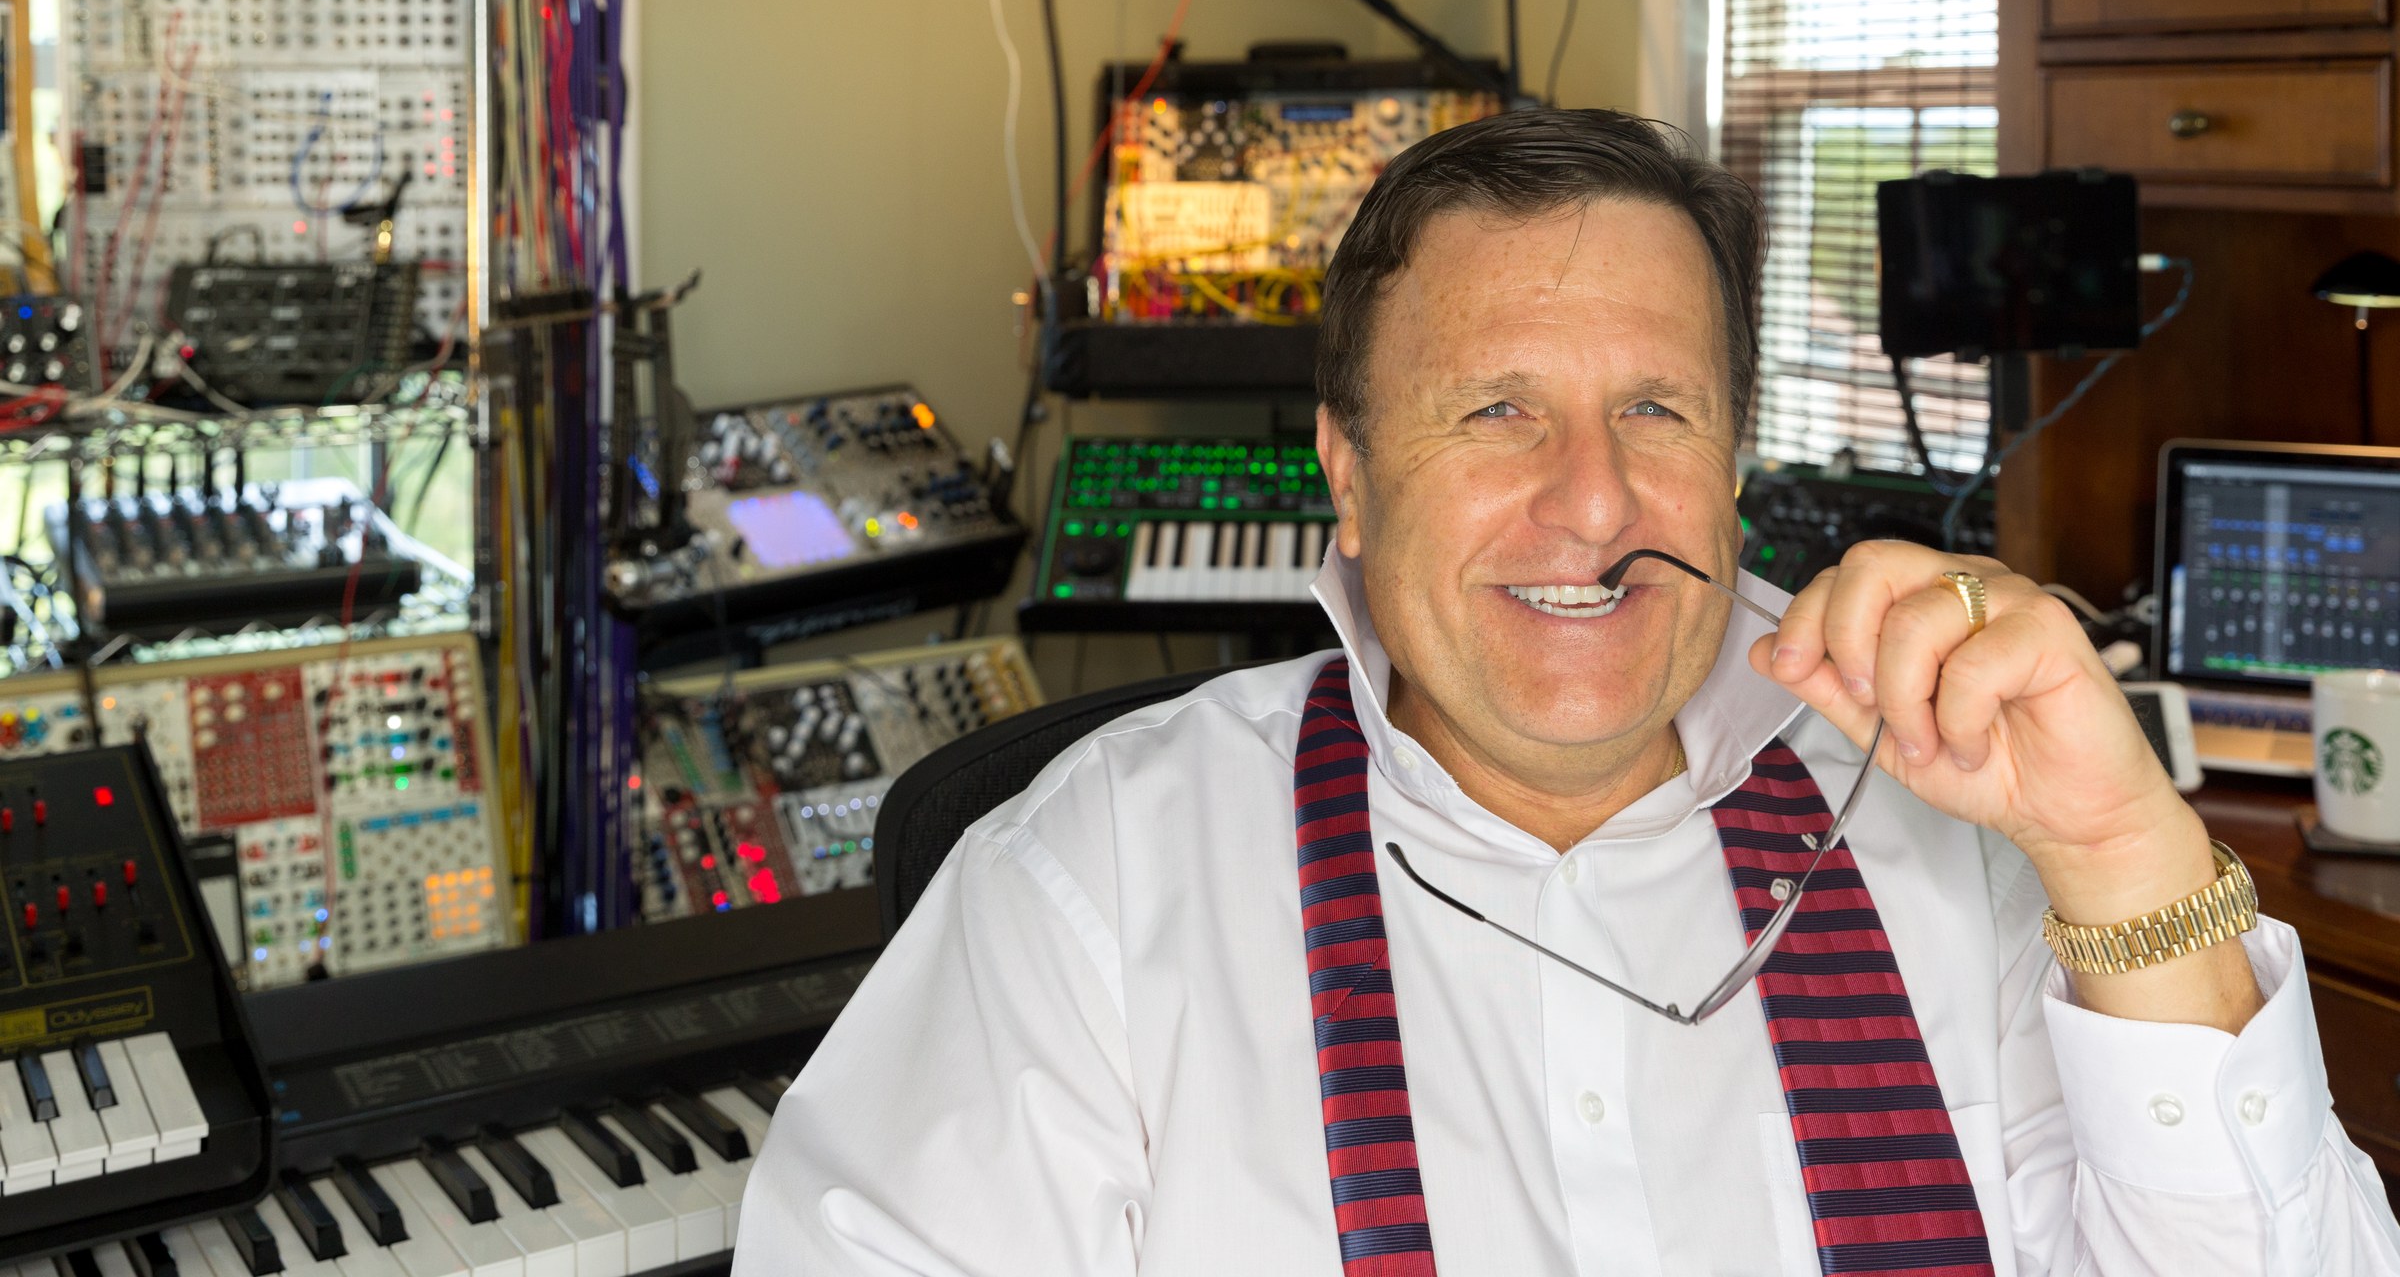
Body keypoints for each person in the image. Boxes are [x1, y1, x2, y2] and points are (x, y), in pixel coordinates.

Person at [733, 109, 2400, 1275]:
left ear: (1736, 457)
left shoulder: (1962, 843)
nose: (1594, 505)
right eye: (1496, 414)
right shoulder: (1085, 885)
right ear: (1352, 473)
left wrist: (2125, 856)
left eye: (1657, 413)